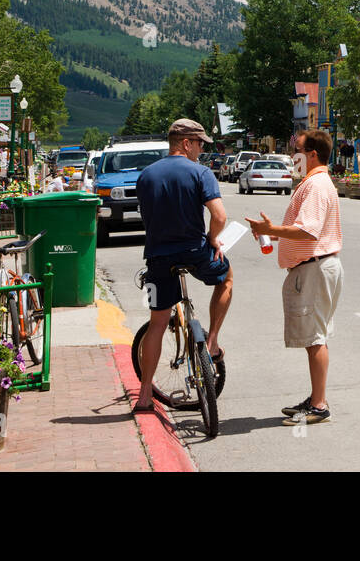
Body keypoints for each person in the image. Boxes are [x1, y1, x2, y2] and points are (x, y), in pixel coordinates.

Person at [247, 129, 343, 427]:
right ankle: (315, 398)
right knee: (316, 336)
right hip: (319, 265)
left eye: (298, 150)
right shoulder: (318, 182)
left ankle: (319, 405)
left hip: (313, 270)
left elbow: (308, 230)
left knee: (315, 338)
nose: (293, 156)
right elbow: (311, 233)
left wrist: (271, 231)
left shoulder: (315, 185)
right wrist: (275, 237)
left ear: (313, 154)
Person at [135, 119, 231, 414]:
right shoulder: (201, 173)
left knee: (157, 324)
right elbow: (219, 216)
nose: (202, 150)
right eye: (200, 144)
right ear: (186, 143)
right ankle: (212, 342)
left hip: (158, 257)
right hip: (194, 251)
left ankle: (144, 395)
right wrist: (214, 240)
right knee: (225, 278)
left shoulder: (146, 176)